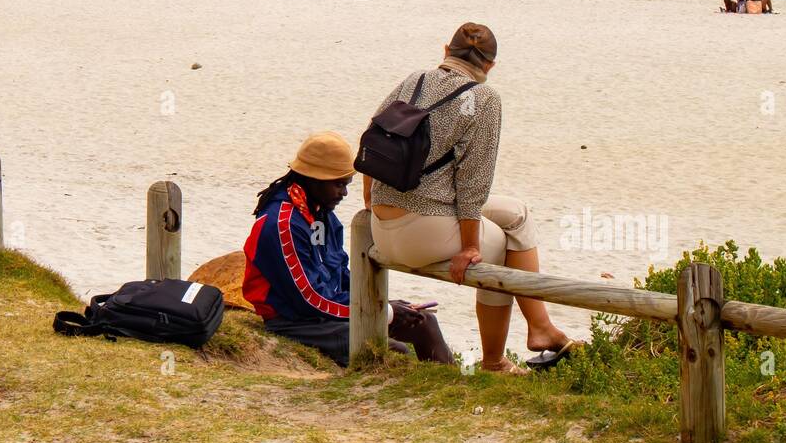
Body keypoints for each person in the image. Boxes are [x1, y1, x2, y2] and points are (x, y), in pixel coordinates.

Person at [364, 23, 577, 374]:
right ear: (490, 66)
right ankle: (494, 362)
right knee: (501, 249)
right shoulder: (485, 99)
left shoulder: (415, 79)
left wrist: (371, 198)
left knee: (517, 215)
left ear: (446, 50)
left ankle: (540, 327)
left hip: (384, 226)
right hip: (421, 235)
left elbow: (372, 134)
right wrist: (469, 247)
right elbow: (474, 183)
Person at [243, 131, 452, 368]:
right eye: (339, 184)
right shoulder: (281, 224)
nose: (344, 193)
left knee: (425, 322)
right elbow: (309, 300)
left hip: (327, 314)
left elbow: (341, 275)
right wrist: (382, 312)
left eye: (346, 184)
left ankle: (454, 393)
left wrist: (383, 303)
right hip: (295, 322)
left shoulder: (322, 216)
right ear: (313, 179)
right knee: (394, 349)